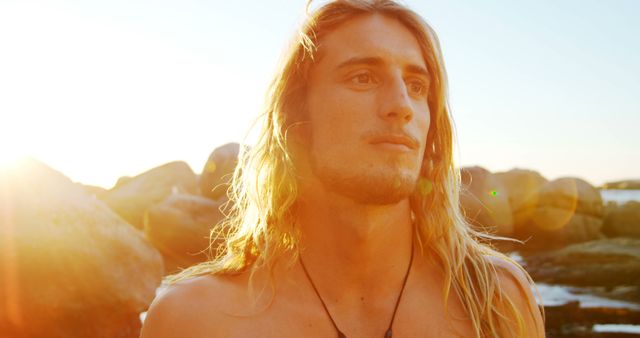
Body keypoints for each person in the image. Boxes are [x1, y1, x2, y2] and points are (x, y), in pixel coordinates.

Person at [140, 1, 545, 337]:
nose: (401, 104)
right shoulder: (195, 320)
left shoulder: (495, 301)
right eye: (363, 77)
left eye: (417, 86)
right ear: (296, 120)